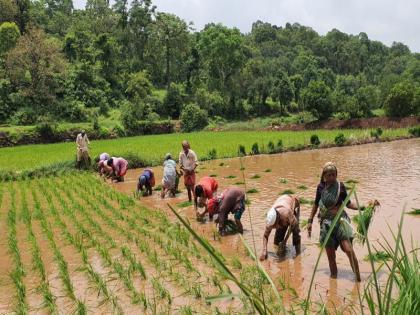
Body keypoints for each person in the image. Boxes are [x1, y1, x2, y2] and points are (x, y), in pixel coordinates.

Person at [307, 162, 363, 282]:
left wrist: (362, 207)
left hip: (340, 222)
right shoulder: (320, 188)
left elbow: (348, 204)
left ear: (336, 175)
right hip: (326, 224)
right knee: (331, 257)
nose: (332, 177)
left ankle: (358, 280)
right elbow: (316, 204)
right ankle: (333, 282)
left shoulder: (340, 186)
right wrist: (310, 221)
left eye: (334, 175)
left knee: (349, 250)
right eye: (329, 175)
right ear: (324, 176)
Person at [259, 194, 301, 261]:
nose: (275, 227)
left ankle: (298, 254)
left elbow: (293, 226)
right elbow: (265, 236)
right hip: (281, 201)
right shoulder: (270, 221)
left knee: (296, 232)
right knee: (277, 241)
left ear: (278, 218)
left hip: (292, 201)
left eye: (275, 225)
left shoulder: (286, 213)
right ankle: (282, 251)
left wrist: (285, 240)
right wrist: (264, 250)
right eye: (273, 226)